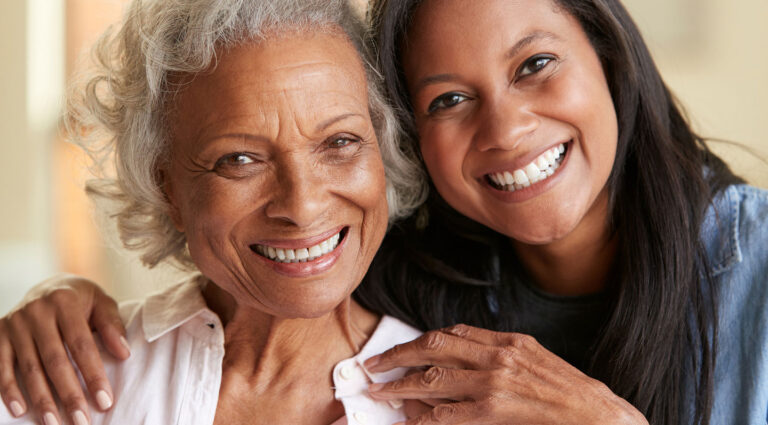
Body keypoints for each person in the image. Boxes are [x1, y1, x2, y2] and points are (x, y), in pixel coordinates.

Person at [3, 0, 768, 424]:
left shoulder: (752, 264)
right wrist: (47, 302)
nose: (505, 131)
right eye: (450, 99)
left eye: (535, 64)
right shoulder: (431, 291)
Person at [0, 0, 431, 424]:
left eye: (340, 142)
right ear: (168, 191)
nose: (303, 206)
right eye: (240, 160)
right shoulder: (61, 381)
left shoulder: (458, 399)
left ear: (384, 153)